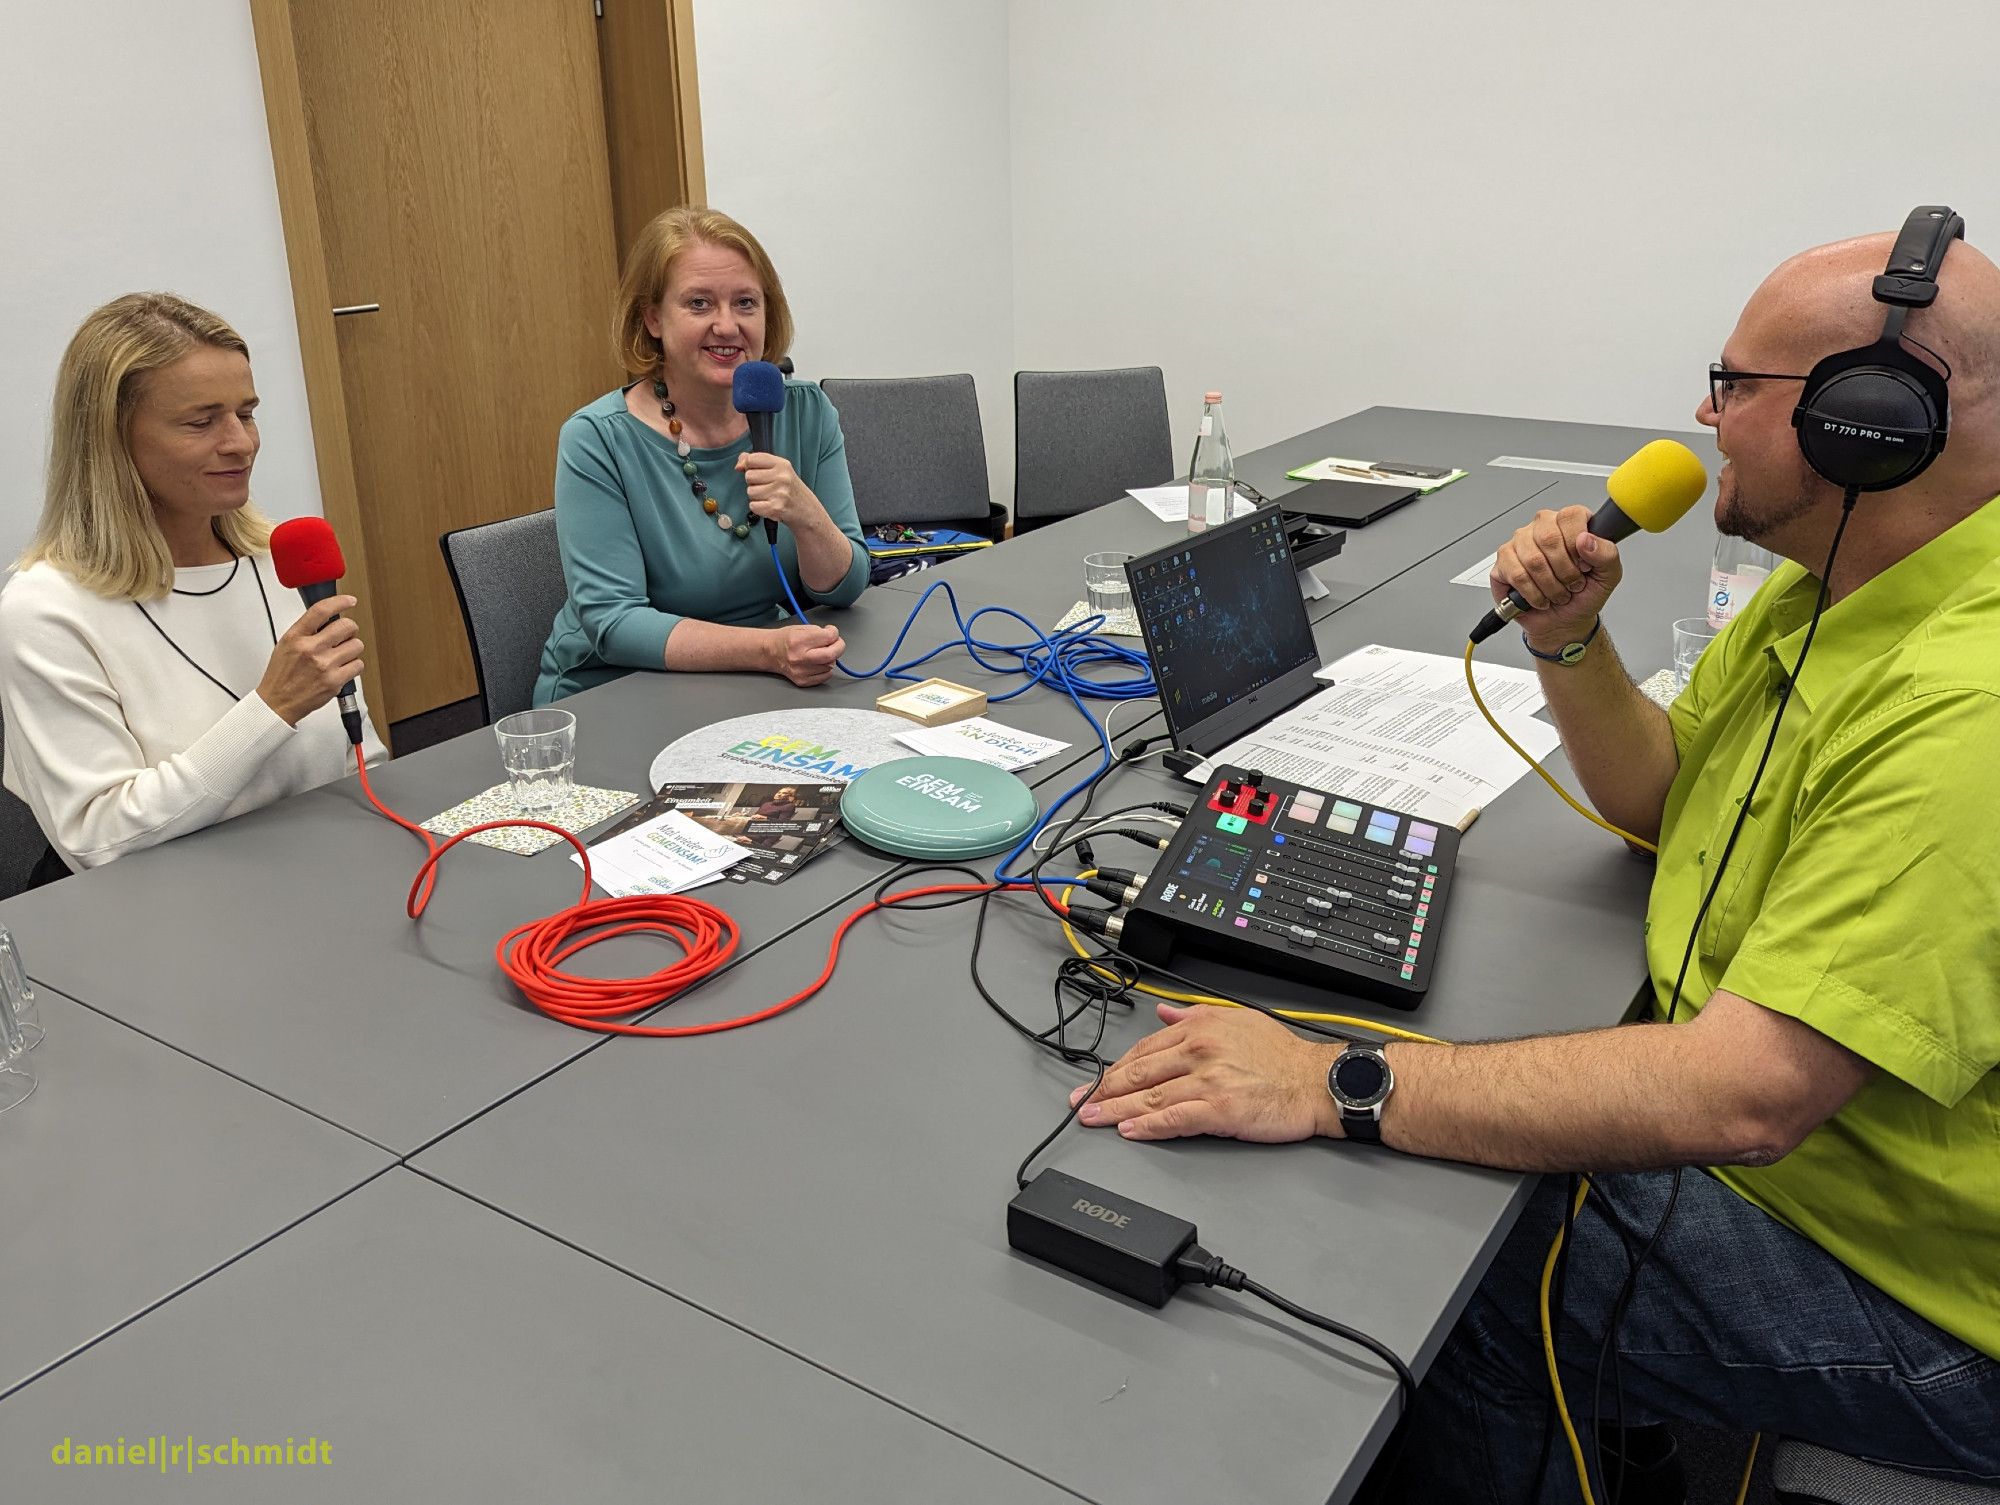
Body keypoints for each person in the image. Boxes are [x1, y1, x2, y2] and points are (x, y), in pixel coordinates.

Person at [1073, 229, 2000, 1495]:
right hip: (1827, 1175)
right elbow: (1665, 796)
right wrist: (1566, 636)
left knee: (1458, 1265)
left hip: (1931, 1309)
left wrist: (1333, 1080)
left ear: (1870, 427)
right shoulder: (1834, 582)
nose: (1700, 413)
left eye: (1733, 385)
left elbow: (1744, 1098)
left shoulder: (1966, 710)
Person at [0, 293, 389, 882]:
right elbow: (99, 841)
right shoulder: (45, 612)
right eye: (201, 422)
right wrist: (272, 708)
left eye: (247, 413)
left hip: (311, 870)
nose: (241, 443)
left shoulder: (274, 559)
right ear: (111, 441)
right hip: (164, 909)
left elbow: (359, 757)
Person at [534, 207, 870, 704]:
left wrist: (808, 516)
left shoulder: (805, 411)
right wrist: (768, 651)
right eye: (698, 303)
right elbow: (614, 621)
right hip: (619, 689)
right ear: (652, 318)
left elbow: (844, 587)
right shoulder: (596, 439)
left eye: (745, 303)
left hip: (758, 681)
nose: (727, 325)